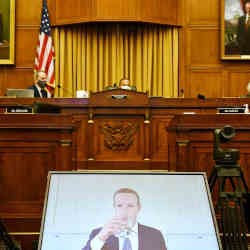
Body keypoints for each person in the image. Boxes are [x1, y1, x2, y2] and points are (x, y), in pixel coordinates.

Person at [82, 188, 167, 250]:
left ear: (138, 208)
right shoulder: (98, 234)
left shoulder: (155, 235)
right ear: (114, 207)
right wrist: (101, 238)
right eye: (119, 205)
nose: (124, 210)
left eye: (130, 206)